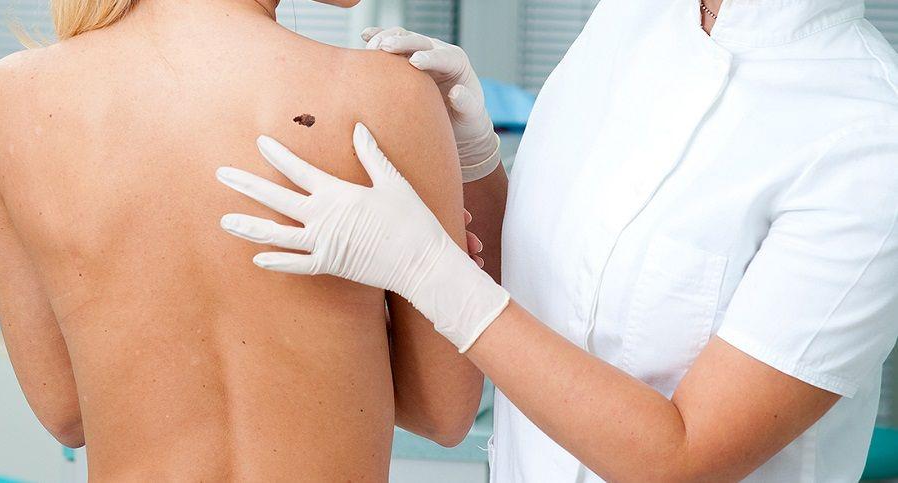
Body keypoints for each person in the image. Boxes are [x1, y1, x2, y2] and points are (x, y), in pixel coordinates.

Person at [218, 0, 898, 481]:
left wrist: (428, 270)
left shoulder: (867, 139)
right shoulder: (630, 17)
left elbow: (682, 459)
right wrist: (476, 161)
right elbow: (549, 284)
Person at [0, 0, 496, 479]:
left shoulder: (15, 99)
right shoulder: (387, 92)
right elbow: (443, 413)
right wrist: (342, 321)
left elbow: (66, 412)